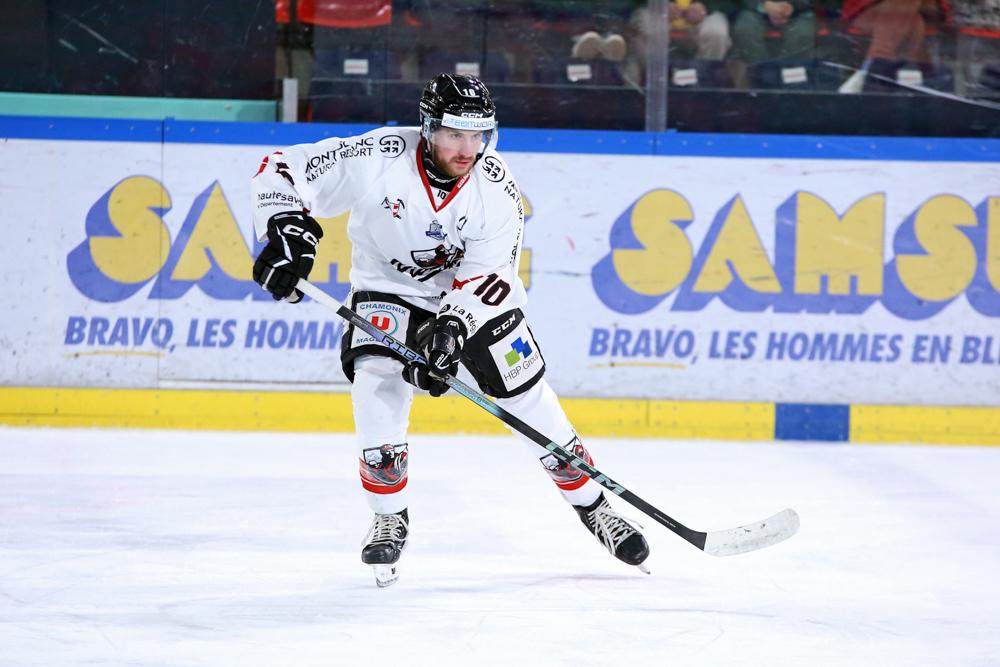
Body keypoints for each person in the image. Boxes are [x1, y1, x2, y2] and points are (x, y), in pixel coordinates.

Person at [249, 73, 650, 587]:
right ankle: (389, 514)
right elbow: (282, 166)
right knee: (377, 374)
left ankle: (594, 506)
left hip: (469, 302)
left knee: (524, 393)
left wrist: (450, 332)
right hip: (387, 288)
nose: (468, 148)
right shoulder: (379, 155)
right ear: (429, 128)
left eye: (478, 134)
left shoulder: (498, 188)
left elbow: (490, 276)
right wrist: (287, 226)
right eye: (455, 134)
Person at [839, 0, 952, 93]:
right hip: (867, 12)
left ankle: (873, 70)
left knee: (910, 15)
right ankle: (924, 77)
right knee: (911, 17)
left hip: (922, 14)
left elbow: (935, 10)